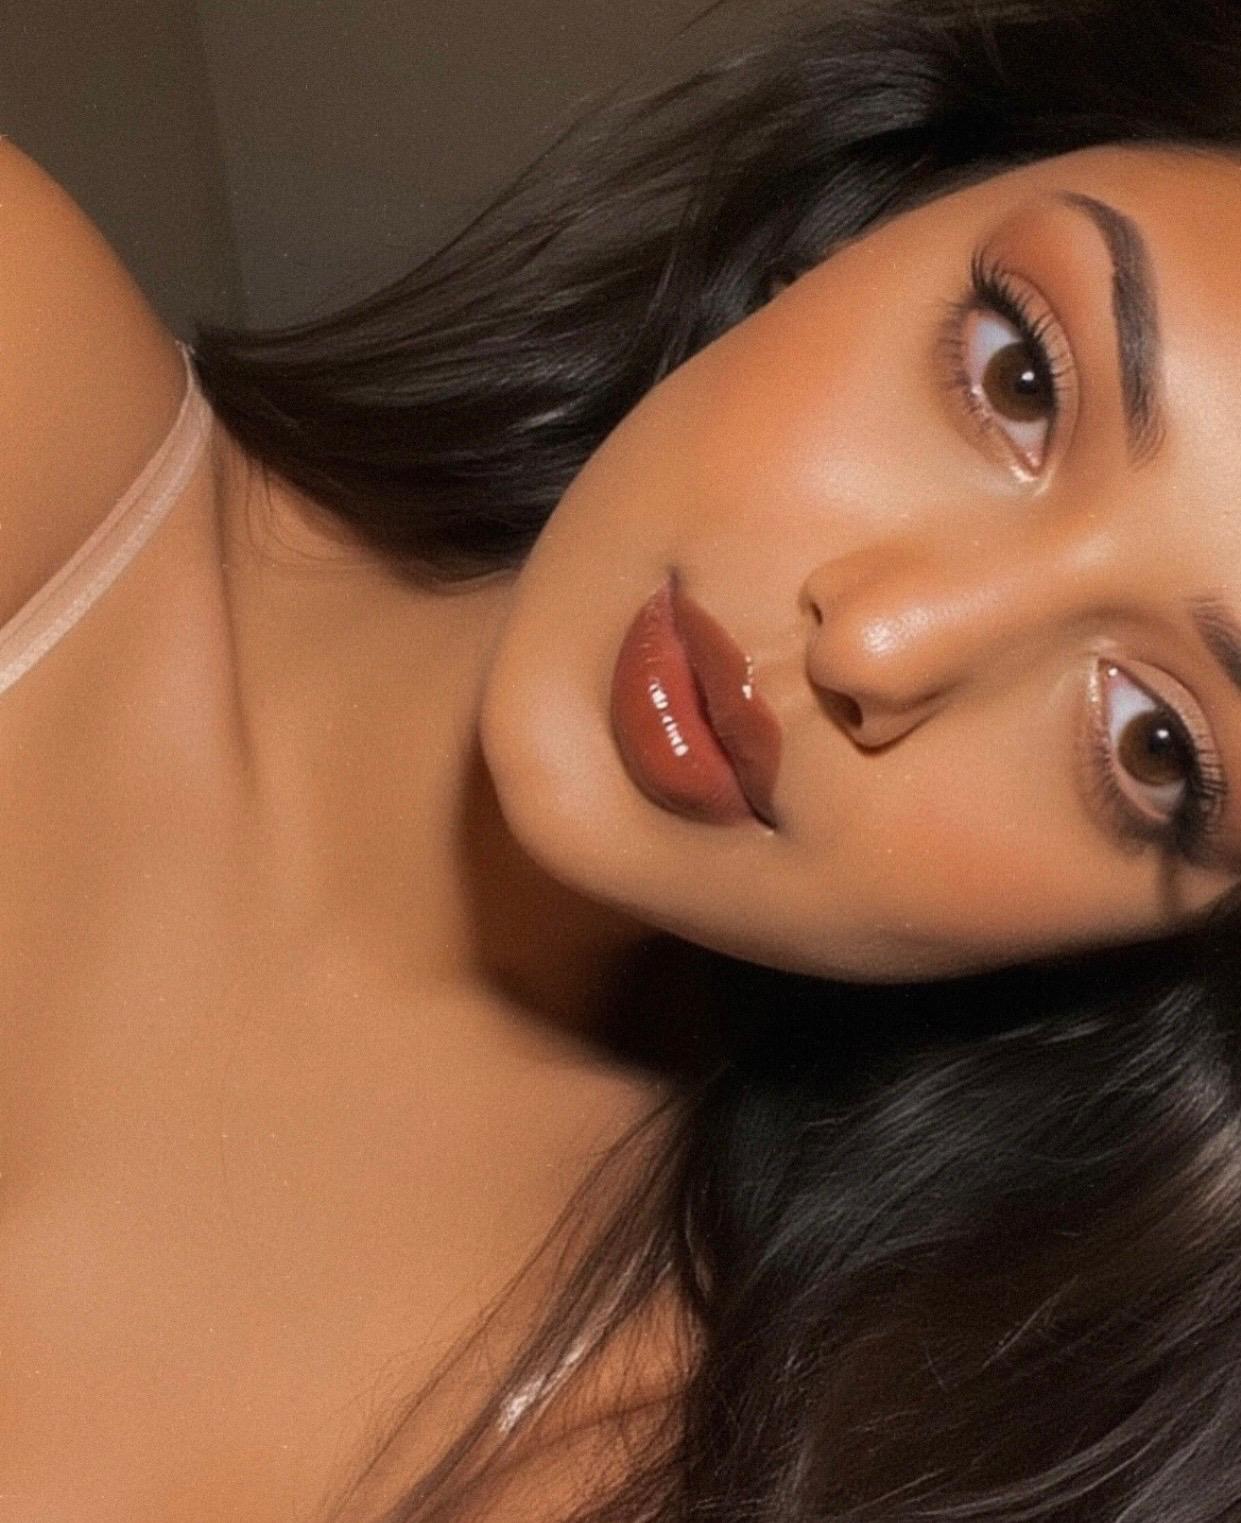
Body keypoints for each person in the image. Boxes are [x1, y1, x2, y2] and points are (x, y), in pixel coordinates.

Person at [5, 0, 1241, 1517]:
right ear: (859, 225)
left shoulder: (750, 1459)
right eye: (1020, 380)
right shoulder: (31, 404)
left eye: (1153, 742)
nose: (879, 646)